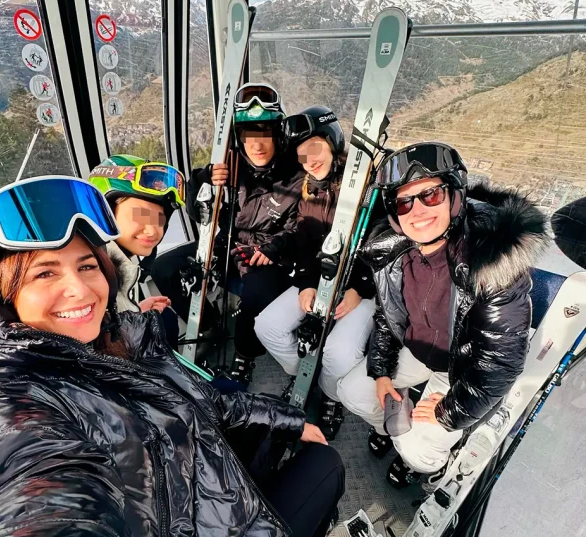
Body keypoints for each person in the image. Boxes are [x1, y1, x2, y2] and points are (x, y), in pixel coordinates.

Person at [0, 176, 344, 537]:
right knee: (327, 466)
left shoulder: (120, 338)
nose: (79, 288)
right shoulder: (7, 403)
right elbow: (35, 497)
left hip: (207, 472)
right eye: (45, 274)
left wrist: (289, 420)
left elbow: (205, 400)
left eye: (87, 266)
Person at [336, 142, 549, 487]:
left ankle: (431, 463)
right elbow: (387, 318)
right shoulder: (395, 253)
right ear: (394, 215)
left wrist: (449, 409)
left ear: (455, 196)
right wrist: (382, 373)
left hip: (461, 364)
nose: (417, 211)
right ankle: (393, 430)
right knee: (352, 392)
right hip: (418, 350)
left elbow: (500, 362)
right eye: (404, 202)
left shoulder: (491, 263)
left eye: (431, 195)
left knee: (417, 450)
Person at [152, 83, 302, 386]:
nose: (257, 145)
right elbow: (200, 213)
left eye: (264, 134)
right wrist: (205, 179)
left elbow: (299, 226)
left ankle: (245, 354)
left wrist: (272, 249)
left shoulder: (294, 175)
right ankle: (206, 324)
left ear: (277, 135)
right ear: (239, 137)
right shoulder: (230, 165)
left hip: (269, 253)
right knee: (163, 267)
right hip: (229, 243)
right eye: (249, 136)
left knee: (255, 293)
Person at [255, 106, 376, 440]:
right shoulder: (309, 193)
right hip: (321, 281)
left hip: (362, 287)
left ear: (332, 141)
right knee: (266, 326)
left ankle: (330, 394)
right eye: (302, 156)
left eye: (315, 149)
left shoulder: (369, 189)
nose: (310, 161)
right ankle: (303, 372)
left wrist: (358, 290)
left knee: (339, 351)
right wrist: (308, 283)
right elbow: (306, 248)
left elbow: (382, 249)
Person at [88, 155, 183, 348]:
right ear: (104, 213)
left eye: (160, 220)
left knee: (165, 319)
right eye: (140, 216)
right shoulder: (91, 278)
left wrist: (133, 312)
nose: (152, 230)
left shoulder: (110, 263)